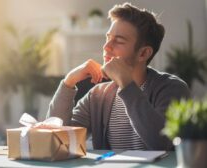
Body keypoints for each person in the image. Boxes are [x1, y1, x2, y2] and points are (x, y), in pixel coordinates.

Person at [47, 2, 190, 150]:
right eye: (108, 38)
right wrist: (68, 82)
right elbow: (57, 142)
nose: (106, 47)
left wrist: (127, 85)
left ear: (143, 53)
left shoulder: (172, 88)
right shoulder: (97, 95)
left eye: (119, 41)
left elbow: (162, 144)